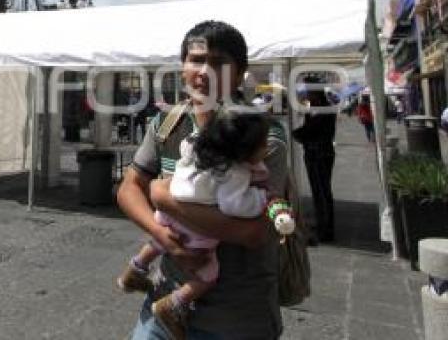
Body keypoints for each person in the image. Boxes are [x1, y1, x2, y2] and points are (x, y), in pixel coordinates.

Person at [117, 20, 289, 339]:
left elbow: (253, 232)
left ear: (239, 74)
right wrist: (163, 236)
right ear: (182, 67)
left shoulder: (261, 137)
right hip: (162, 305)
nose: (205, 71)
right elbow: (129, 187)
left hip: (235, 318)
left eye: (219, 62)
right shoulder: (166, 124)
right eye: (196, 60)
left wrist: (164, 198)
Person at [292, 78, 337, 243]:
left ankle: (326, 230)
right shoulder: (318, 108)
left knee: (321, 192)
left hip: (319, 153)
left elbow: (311, 130)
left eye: (309, 91)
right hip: (316, 153)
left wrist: (296, 134)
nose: (307, 95)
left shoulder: (323, 110)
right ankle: (323, 225)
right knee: (319, 192)